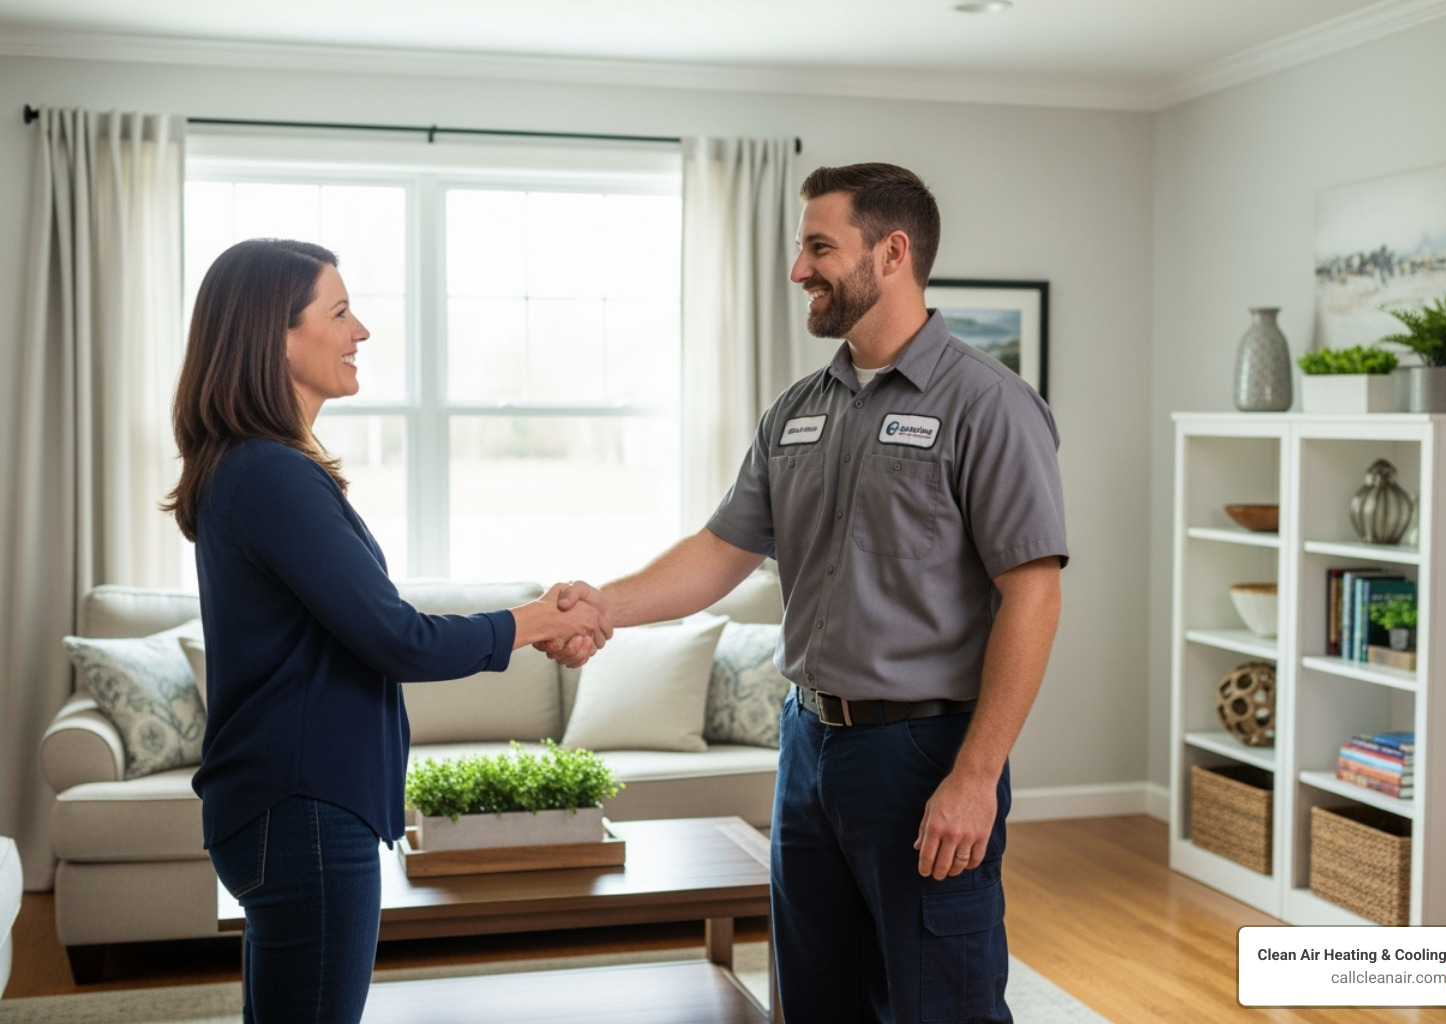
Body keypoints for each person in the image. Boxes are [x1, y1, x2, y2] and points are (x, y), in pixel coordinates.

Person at [542, 163, 1068, 1022]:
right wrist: (601, 604)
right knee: (818, 997)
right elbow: (720, 553)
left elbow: (1033, 597)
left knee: (943, 1003)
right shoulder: (796, 411)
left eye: (819, 247)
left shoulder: (990, 405)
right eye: (800, 248)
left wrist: (976, 777)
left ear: (892, 253)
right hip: (810, 746)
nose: (799, 271)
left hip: (924, 754)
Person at [164, 238, 609, 1024]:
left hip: (285, 805)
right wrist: (539, 620)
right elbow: (396, 638)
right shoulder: (269, 473)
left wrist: (531, 618)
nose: (361, 331)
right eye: (339, 313)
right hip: (302, 810)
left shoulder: (255, 467)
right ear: (277, 336)